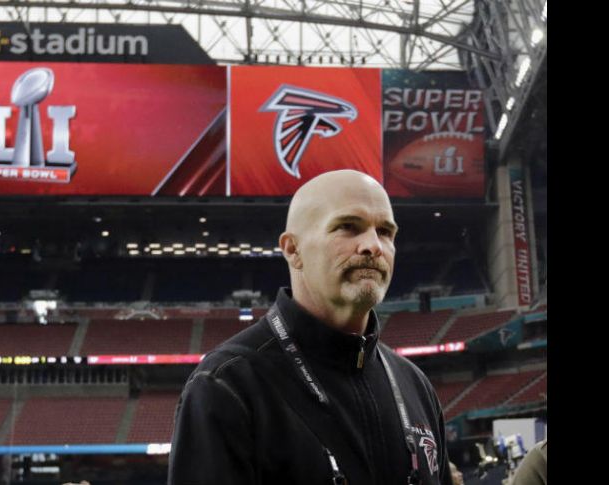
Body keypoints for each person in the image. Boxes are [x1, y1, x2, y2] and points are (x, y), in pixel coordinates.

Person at [168, 169, 452, 484]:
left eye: (385, 231)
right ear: (293, 250)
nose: (373, 246)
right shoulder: (229, 384)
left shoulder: (416, 386)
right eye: (348, 227)